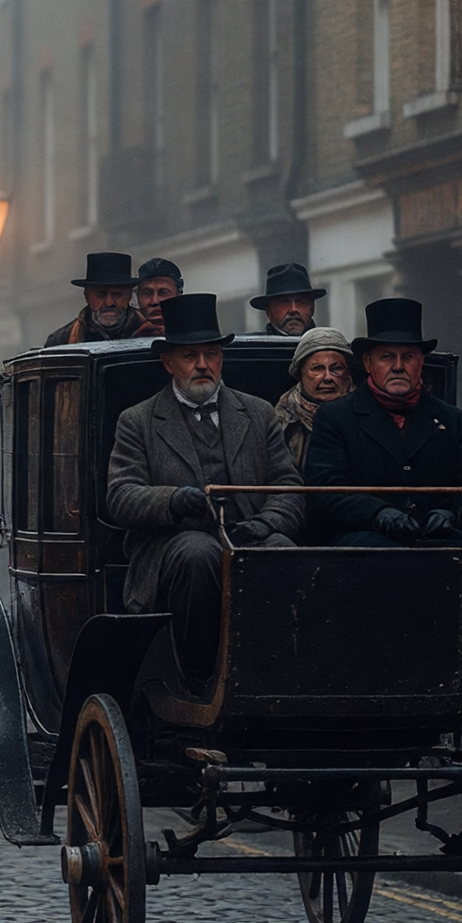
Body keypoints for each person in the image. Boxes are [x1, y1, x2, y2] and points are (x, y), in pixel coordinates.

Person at [303, 297, 462, 689]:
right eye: (387, 356)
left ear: (420, 363)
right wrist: (378, 514)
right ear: (368, 364)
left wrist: (453, 516)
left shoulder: (449, 418)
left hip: (433, 536)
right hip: (363, 538)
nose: (398, 365)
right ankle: (371, 682)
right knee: (380, 565)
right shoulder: (337, 417)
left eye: (408, 356)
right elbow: (325, 489)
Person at [105, 293, 304, 683]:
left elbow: (290, 487)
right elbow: (121, 495)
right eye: (189, 356)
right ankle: (198, 682)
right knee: (199, 554)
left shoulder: (259, 413)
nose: (202, 365)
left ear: (221, 358)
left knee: (283, 552)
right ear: (168, 362)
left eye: (211, 354)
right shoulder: (138, 421)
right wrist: (175, 500)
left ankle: (277, 676)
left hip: (248, 536)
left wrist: (266, 525)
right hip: (170, 545)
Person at [271, 326, 355, 475]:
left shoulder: (368, 411)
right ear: (300, 374)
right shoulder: (279, 421)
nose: (327, 377)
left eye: (336, 368)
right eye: (317, 368)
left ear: (348, 373)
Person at [46, 252, 157, 346]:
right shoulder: (61, 341)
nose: (109, 303)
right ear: (87, 296)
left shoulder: (153, 335)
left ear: (129, 296)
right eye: (101, 294)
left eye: (117, 294)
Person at [249, 261, 329, 337]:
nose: (293, 310)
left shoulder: (327, 346)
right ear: (268, 311)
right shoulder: (254, 349)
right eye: (284, 302)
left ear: (312, 308)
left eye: (301, 302)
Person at [134, 258, 184, 337]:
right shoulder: (124, 335)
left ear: (178, 296)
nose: (155, 301)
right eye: (147, 293)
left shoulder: (195, 331)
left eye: (163, 292)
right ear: (137, 296)